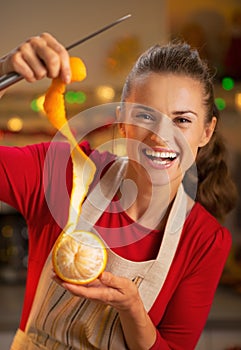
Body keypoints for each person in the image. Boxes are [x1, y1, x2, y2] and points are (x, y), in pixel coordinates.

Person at [0, 33, 237, 350]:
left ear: (206, 132)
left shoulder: (205, 240)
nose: (160, 137)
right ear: (122, 122)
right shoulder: (63, 171)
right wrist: (4, 71)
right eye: (145, 116)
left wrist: (132, 310)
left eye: (181, 120)